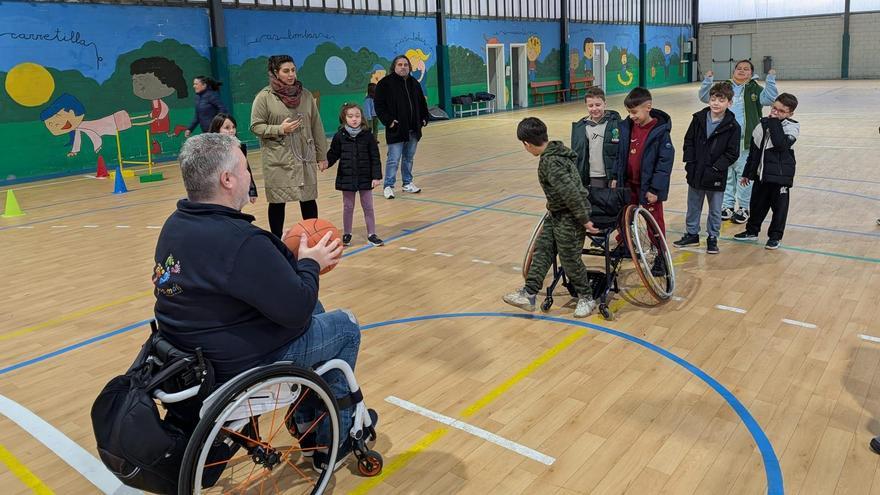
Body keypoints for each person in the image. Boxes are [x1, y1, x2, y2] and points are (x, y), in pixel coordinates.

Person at [152, 132, 362, 469]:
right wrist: (310, 263)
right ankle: (327, 441)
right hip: (233, 363)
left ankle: (307, 417)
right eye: (246, 168)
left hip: (190, 351)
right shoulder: (240, 241)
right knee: (346, 326)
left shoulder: (176, 225)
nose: (251, 175)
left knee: (317, 312)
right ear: (227, 179)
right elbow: (296, 309)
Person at [502, 117, 599, 318]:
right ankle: (529, 293)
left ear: (527, 144)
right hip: (556, 213)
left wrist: (584, 220)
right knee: (543, 250)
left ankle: (586, 297)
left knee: (570, 259)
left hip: (570, 215)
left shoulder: (550, 162)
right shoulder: (555, 152)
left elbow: (571, 192)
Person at [250, 55, 329, 238]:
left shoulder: (306, 95)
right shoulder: (264, 97)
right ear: (275, 73)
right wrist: (279, 129)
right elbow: (256, 126)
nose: (291, 74)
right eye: (286, 71)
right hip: (278, 158)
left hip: (304, 156)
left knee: (308, 199)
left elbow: (317, 125)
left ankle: (312, 236)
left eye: (293, 70)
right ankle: (276, 240)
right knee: (277, 202)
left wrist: (322, 155)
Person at [700, 61, 779, 224]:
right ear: (733, 70)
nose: (742, 71)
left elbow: (770, 99)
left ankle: (744, 207)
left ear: (751, 73)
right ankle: (727, 205)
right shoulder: (724, 87)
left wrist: (770, 79)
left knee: (745, 175)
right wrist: (707, 81)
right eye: (739, 68)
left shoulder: (754, 88)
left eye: (746, 69)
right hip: (724, 140)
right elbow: (704, 97)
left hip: (746, 142)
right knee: (726, 173)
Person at [611, 87, 674, 276]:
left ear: (648, 107)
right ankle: (625, 245)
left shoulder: (660, 132)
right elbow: (619, 156)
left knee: (654, 222)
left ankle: (660, 257)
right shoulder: (626, 127)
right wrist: (615, 177)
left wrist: (655, 189)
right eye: (629, 112)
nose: (631, 116)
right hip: (627, 184)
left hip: (648, 188)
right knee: (623, 216)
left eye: (634, 112)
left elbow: (664, 164)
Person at [674, 81, 741, 254]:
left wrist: (717, 168)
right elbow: (688, 142)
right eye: (713, 99)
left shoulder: (733, 126)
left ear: (729, 103)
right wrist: (690, 163)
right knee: (693, 206)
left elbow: (732, 153)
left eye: (721, 100)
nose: (716, 103)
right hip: (696, 171)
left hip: (716, 175)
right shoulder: (698, 119)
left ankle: (713, 237)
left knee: (715, 210)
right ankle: (692, 234)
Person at [733, 93, 800, 250]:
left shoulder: (792, 127)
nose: (775, 112)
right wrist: (748, 173)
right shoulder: (762, 125)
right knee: (756, 205)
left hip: (780, 178)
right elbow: (754, 152)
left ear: (790, 114)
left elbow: (780, 145)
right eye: (774, 108)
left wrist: (774, 122)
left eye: (781, 111)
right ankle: (752, 231)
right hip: (761, 175)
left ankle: (775, 237)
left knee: (779, 209)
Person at [324, 103, 384, 247]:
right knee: (348, 207)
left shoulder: (368, 135)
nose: (354, 119)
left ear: (361, 117)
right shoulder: (340, 136)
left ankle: (372, 234)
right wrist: (325, 163)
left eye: (357, 116)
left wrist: (376, 176)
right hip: (347, 176)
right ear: (344, 118)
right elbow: (333, 153)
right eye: (350, 116)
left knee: (368, 206)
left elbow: (375, 157)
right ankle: (347, 233)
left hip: (365, 177)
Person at [374, 55, 429, 199]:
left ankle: (407, 183)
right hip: (396, 129)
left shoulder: (414, 83)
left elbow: (422, 103)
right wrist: (389, 121)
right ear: (394, 67)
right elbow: (379, 106)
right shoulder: (385, 84)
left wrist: (424, 118)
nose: (403, 67)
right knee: (393, 158)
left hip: (413, 129)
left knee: (409, 158)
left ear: (409, 67)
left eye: (406, 64)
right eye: (400, 64)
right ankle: (388, 186)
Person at [570, 86, 622, 189]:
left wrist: (616, 176)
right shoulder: (581, 127)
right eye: (590, 105)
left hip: (612, 175)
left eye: (598, 105)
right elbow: (578, 155)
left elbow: (621, 152)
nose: (594, 108)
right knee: (598, 202)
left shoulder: (616, 124)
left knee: (614, 203)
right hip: (594, 175)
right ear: (586, 106)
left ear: (605, 104)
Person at [208, 113, 258, 204]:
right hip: (216, 192)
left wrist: (252, 190)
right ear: (217, 130)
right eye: (227, 128)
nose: (231, 131)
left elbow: (246, 169)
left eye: (233, 127)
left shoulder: (239, 147)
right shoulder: (210, 149)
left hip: (233, 189)